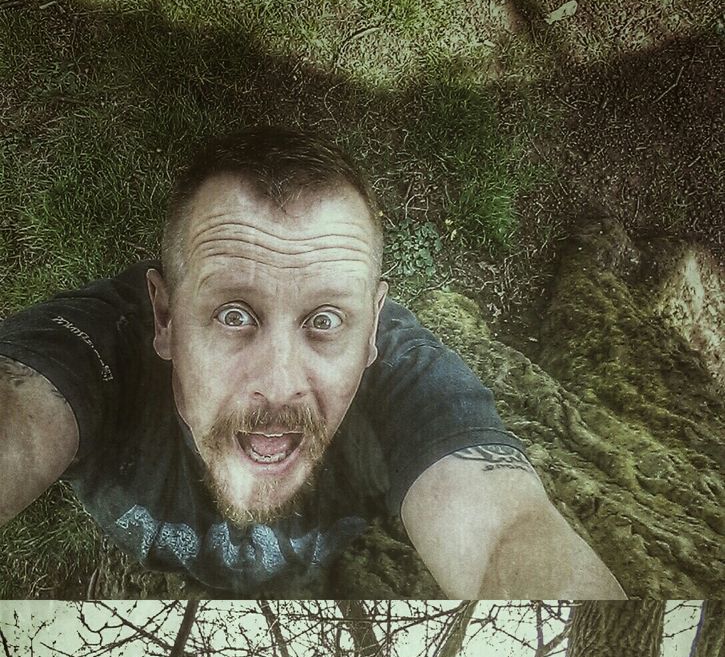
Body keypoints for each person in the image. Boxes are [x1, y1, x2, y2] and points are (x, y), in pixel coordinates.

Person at [0, 126, 624, 599]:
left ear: (374, 327)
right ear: (163, 317)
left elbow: (502, 536)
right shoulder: (91, 352)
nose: (278, 385)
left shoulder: (409, 387)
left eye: (325, 321)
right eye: (234, 314)